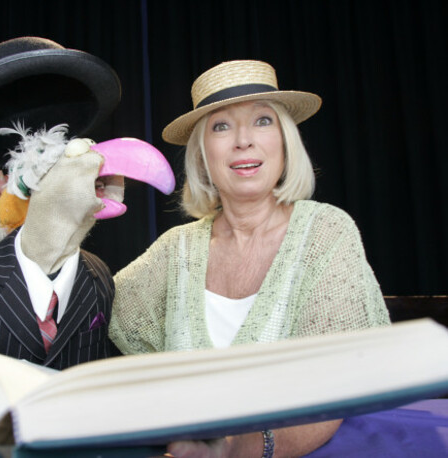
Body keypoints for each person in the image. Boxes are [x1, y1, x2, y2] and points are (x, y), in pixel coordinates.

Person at [107, 60, 391, 457]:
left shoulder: (326, 232)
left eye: (262, 121)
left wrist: (230, 450)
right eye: (221, 126)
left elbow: (335, 388)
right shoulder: (177, 248)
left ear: (285, 140)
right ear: (203, 154)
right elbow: (92, 303)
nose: (243, 140)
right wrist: (21, 227)